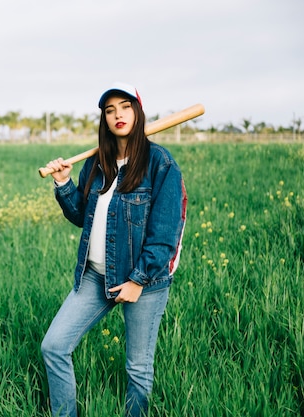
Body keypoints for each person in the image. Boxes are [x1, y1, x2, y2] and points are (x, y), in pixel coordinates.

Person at [41, 82, 187, 417]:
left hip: (144, 283)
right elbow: (81, 216)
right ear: (104, 119)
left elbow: (165, 234)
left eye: (125, 106)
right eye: (110, 110)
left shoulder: (160, 163)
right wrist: (63, 182)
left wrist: (138, 280)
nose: (118, 114)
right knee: (54, 346)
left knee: (137, 368)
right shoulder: (95, 163)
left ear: (138, 111)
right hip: (95, 276)